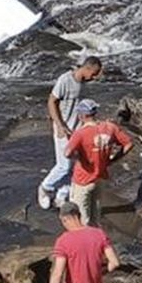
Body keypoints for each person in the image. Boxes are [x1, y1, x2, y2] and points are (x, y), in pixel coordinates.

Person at [37, 56, 104, 210]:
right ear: (86, 68)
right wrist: (60, 125)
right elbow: (51, 101)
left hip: (79, 130)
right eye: (93, 74)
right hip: (64, 129)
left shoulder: (84, 83)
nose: (94, 78)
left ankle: (62, 196)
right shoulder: (65, 80)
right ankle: (45, 188)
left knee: (75, 166)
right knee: (64, 166)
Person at [63, 99, 135, 226]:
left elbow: (67, 153)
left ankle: (85, 243)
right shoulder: (109, 127)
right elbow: (128, 144)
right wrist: (113, 160)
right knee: (95, 214)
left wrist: (79, 157)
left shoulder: (80, 133)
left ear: (81, 116)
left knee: (81, 217)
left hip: (83, 179)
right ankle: (96, 239)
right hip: (100, 176)